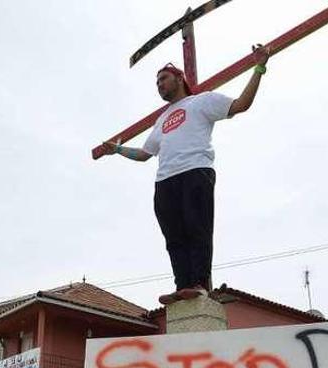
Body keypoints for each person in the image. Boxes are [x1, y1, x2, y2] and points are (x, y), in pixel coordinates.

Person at [102, 44, 271, 305]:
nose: (159, 85)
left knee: (197, 229)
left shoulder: (202, 101)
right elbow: (145, 154)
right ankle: (183, 286)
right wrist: (119, 150)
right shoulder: (161, 120)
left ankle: (200, 284)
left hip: (195, 171)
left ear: (180, 78)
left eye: (163, 79)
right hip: (165, 181)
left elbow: (241, 104)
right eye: (156, 82)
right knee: (174, 237)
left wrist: (259, 67)